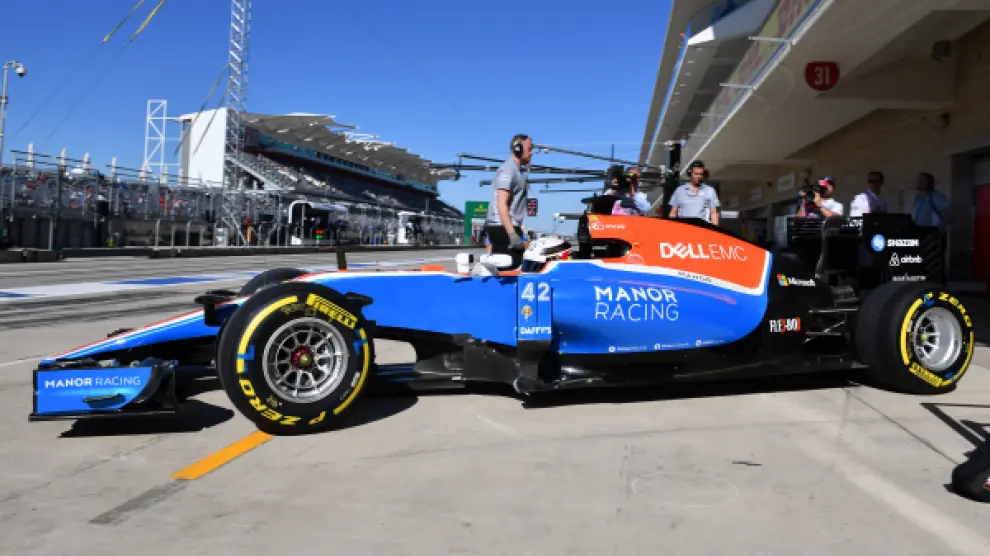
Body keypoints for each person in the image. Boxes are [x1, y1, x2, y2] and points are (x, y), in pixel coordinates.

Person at [484, 134, 533, 268]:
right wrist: (512, 234)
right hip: (503, 228)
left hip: (506, 227)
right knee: (508, 270)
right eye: (529, 149)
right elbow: (501, 204)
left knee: (513, 267)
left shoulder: (516, 170)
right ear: (518, 149)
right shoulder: (508, 170)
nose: (532, 153)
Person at [668, 160, 720, 225]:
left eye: (700, 174)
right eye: (696, 174)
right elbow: (673, 212)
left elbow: (714, 214)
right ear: (690, 174)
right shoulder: (679, 191)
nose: (699, 176)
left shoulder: (709, 190)